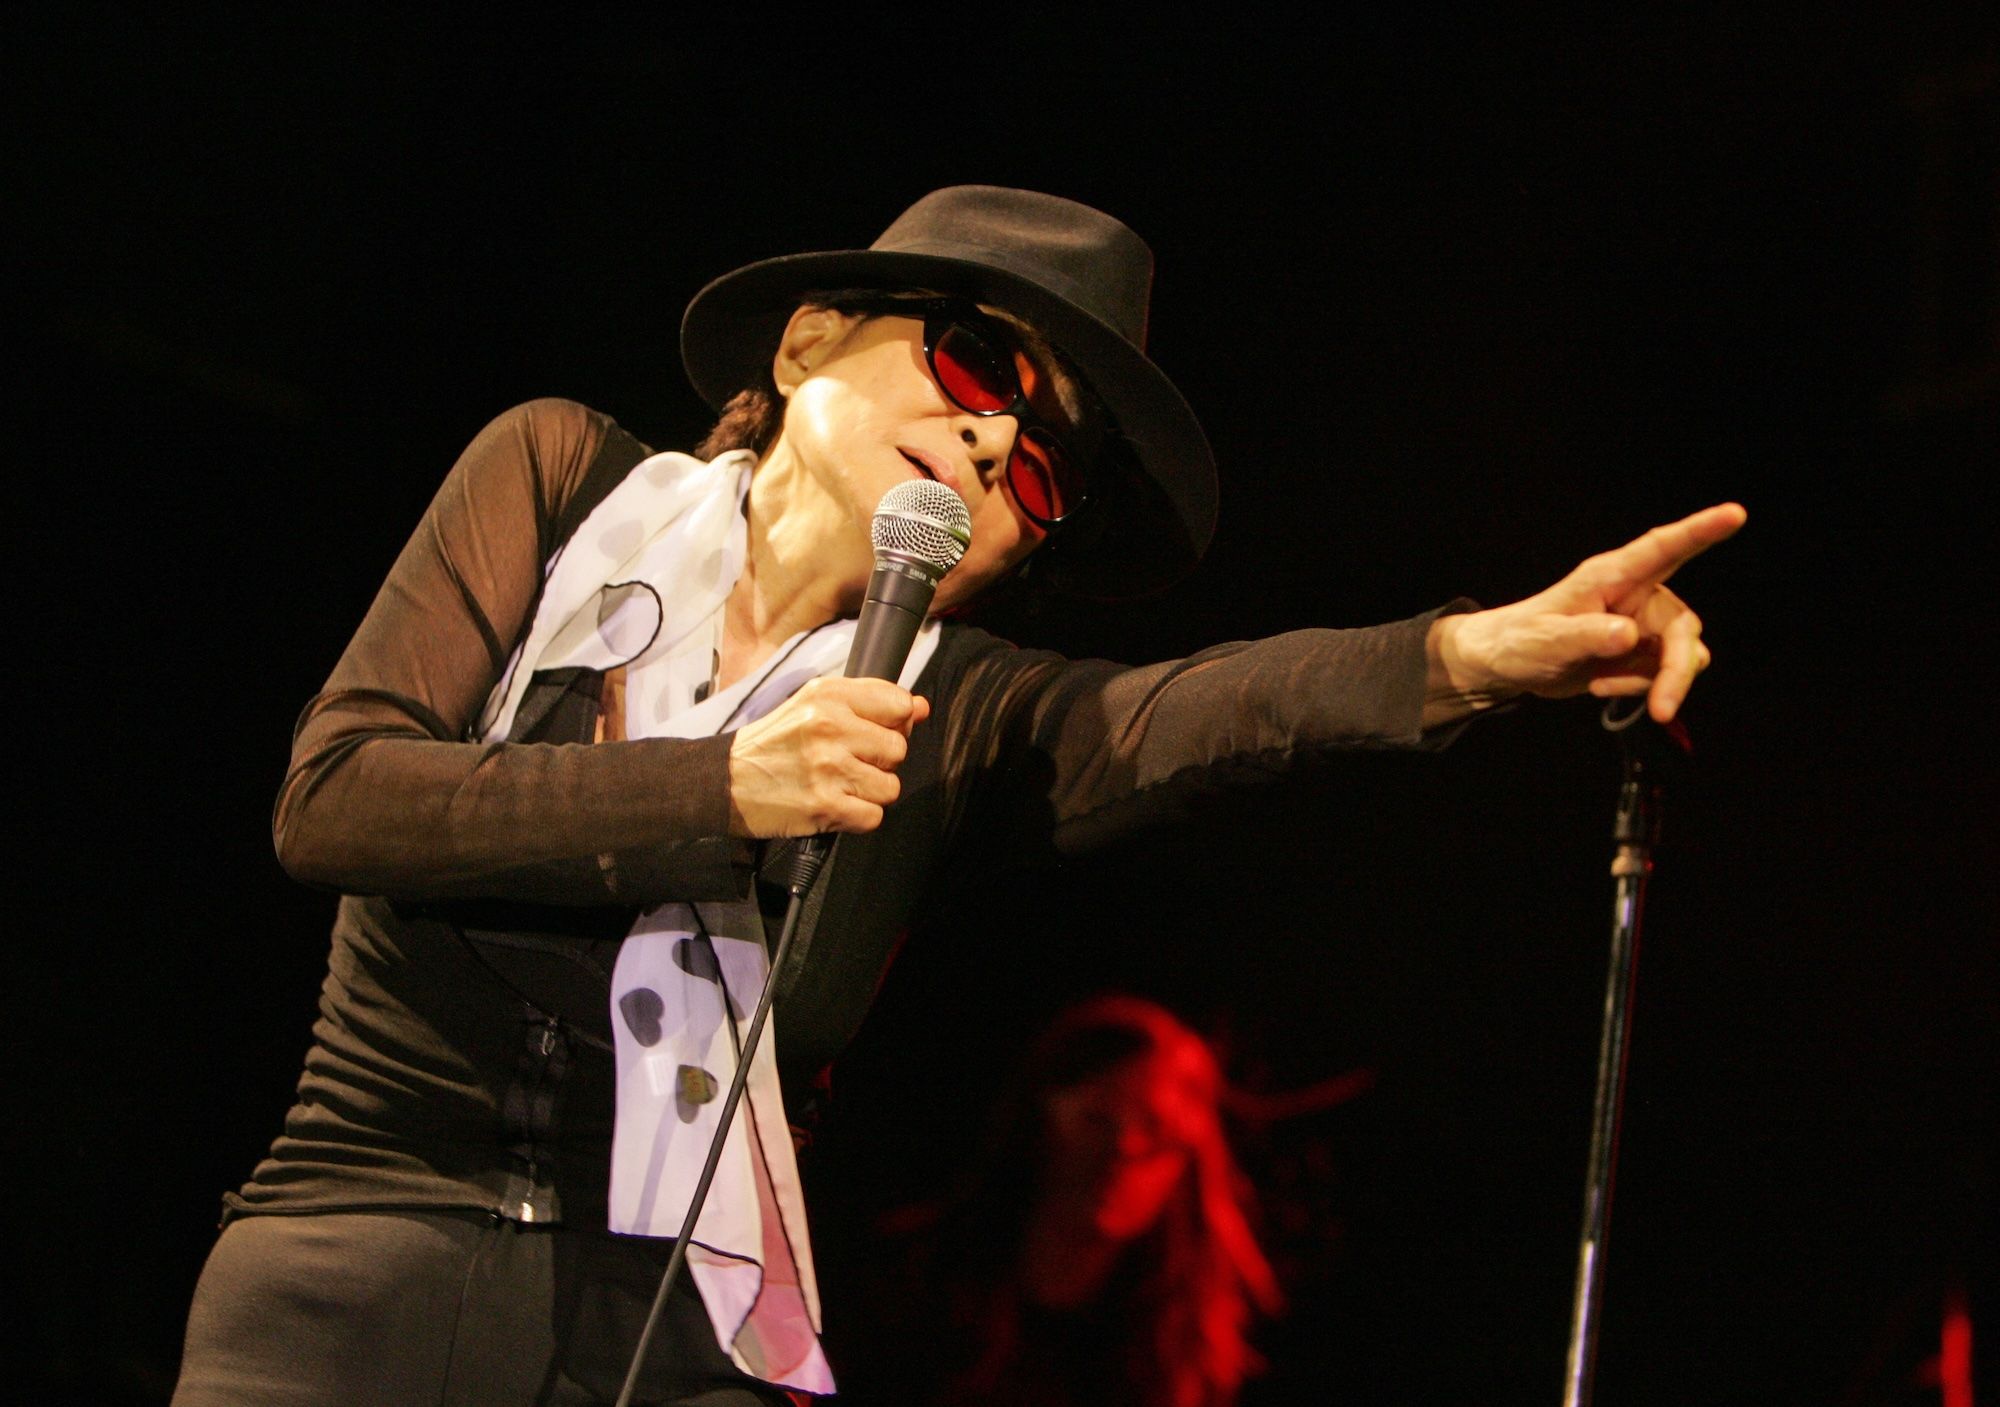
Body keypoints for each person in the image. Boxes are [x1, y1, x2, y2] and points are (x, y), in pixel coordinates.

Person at [170, 185, 1744, 1407]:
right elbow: (338, 792)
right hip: (355, 1252)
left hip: (681, 1334)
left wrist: (1480, 652)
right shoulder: (559, 479)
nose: (995, 436)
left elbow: (1206, 711)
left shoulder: (959, 711)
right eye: (978, 363)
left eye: (1043, 465)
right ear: (804, 346)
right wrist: (724, 784)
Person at [831, 995, 1281, 1407]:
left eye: (1155, 1131)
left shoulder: (1188, 1345)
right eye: (1098, 1119)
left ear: (1186, 1164)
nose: (1123, 1149)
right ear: (1038, 1116)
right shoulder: (904, 1280)